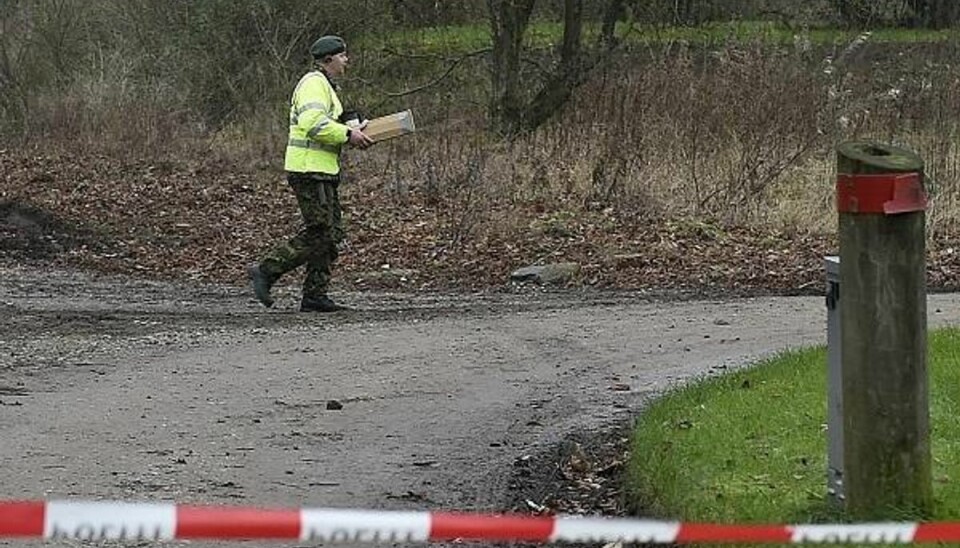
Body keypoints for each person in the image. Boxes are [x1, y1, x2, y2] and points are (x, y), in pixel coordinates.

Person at [247, 35, 374, 312]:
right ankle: (266, 270)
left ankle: (315, 295)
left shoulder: (325, 86)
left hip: (322, 171)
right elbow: (313, 123)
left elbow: (328, 124)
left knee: (332, 233)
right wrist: (346, 134)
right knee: (320, 233)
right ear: (329, 59)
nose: (346, 60)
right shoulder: (314, 84)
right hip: (308, 170)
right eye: (342, 55)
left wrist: (353, 130)